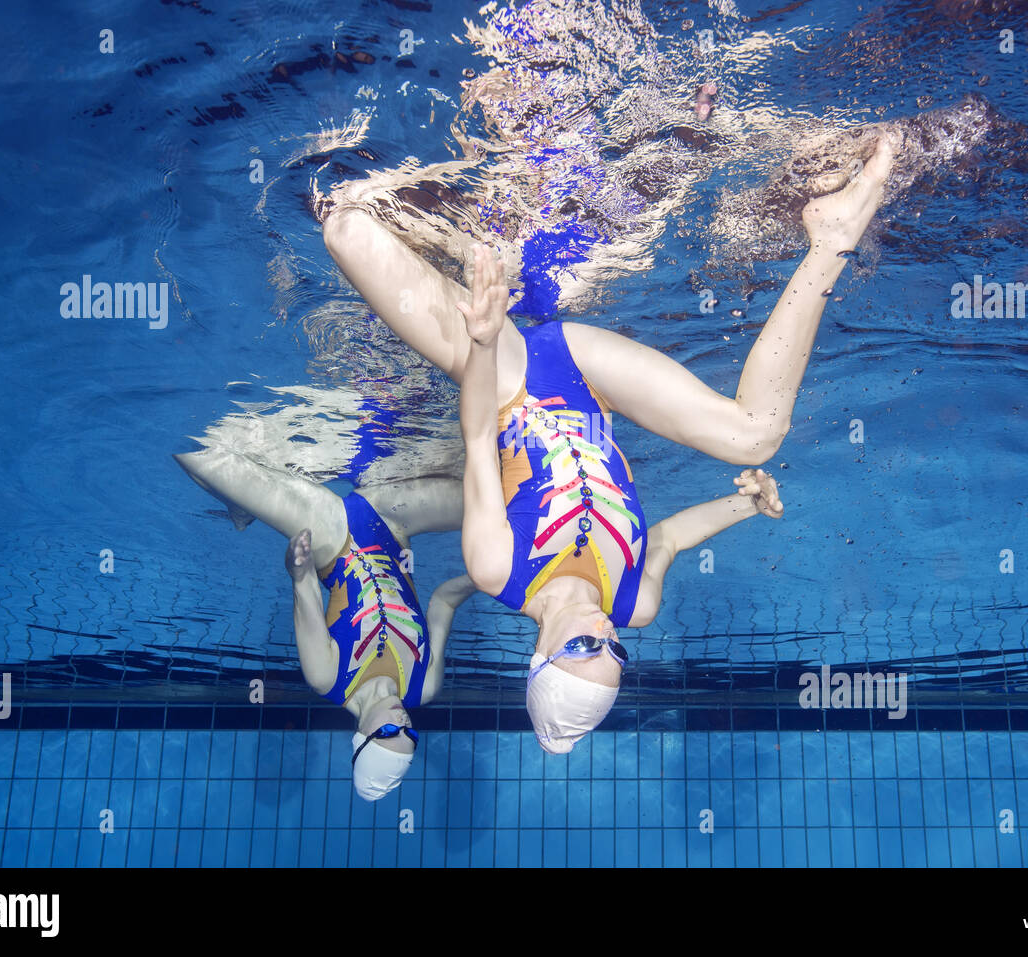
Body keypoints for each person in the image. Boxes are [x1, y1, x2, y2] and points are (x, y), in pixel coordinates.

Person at [322, 131, 899, 753]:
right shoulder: (636, 603)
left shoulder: (496, 568)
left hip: (511, 371)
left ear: (539, 654)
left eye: (582, 646)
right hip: (591, 379)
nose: (603, 627)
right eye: (614, 647)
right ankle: (831, 237)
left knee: (345, 227)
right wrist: (747, 503)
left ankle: (458, 208)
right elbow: (671, 539)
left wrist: (486, 336)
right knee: (755, 436)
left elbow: (479, 431)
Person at [175, 449, 474, 799]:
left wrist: (299, 563)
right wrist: (480, 579)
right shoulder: (424, 687)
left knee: (201, 456)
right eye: (409, 737)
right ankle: (244, 508)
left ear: (362, 736)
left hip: (334, 535)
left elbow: (304, 587)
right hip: (394, 521)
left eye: (389, 733)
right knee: (500, 503)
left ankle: (242, 504)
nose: (404, 726)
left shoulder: (328, 676)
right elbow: (442, 603)